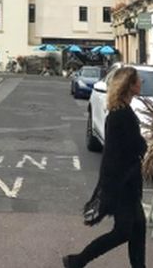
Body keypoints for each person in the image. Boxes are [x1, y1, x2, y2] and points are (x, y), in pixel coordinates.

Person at [63, 66, 147, 268]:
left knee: (138, 228)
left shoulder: (120, 112)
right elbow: (129, 148)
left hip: (127, 181)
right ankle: (77, 260)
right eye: (138, 80)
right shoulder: (122, 116)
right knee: (122, 232)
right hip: (123, 183)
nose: (141, 83)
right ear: (130, 85)